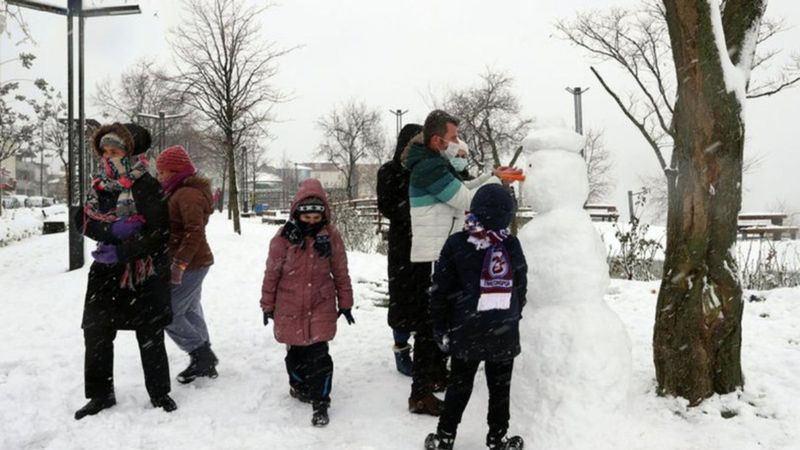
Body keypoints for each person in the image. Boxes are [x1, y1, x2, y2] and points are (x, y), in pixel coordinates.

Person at [404, 110, 510, 416]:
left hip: (440, 251)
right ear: (437, 140)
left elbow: (464, 189)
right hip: (432, 256)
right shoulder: (428, 168)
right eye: (453, 137)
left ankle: (434, 375)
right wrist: (495, 180)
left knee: (440, 319)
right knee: (429, 326)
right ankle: (420, 392)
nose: (458, 143)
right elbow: (466, 200)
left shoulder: (436, 163)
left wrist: (493, 175)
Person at [73, 122, 176, 420]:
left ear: (131, 151)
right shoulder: (99, 183)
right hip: (105, 273)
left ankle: (159, 393)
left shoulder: (147, 184)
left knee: (150, 335)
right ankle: (100, 394)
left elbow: (159, 232)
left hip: (142, 274)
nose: (108, 156)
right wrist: (109, 229)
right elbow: (83, 219)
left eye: (115, 150)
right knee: (96, 333)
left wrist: (123, 249)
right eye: (104, 150)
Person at [424, 184, 527, 450]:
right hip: (503, 330)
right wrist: (513, 313)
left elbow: (440, 288)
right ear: (508, 214)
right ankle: (497, 438)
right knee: (500, 390)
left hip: (466, 328)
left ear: (475, 210)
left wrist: (439, 324)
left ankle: (445, 436)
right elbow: (521, 284)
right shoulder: (511, 243)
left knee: (459, 386)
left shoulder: (457, 243)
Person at [260, 178, 354, 427]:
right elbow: (272, 274)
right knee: (296, 355)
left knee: (319, 355)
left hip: (320, 303)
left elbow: (341, 272)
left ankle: (321, 400)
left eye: (316, 217)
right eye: (307, 217)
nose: (312, 222)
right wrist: (267, 305)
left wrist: (345, 302)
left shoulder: (331, 237)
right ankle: (299, 385)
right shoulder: (283, 239)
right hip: (289, 306)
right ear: (296, 213)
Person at [156, 145, 218, 384]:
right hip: (193, 261)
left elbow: (194, 231)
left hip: (191, 263)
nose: (160, 177)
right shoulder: (180, 191)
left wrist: (179, 263)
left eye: (162, 172)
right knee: (190, 308)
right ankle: (204, 359)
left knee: (168, 313)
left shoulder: (187, 194)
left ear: (175, 171)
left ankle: (202, 356)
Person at [376, 123, 424, 377]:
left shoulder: (428, 169)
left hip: (428, 243)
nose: (416, 149)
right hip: (402, 243)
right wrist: (416, 211)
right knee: (402, 296)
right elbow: (386, 205)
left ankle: (427, 346)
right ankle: (401, 348)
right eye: (412, 144)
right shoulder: (389, 171)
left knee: (426, 295)